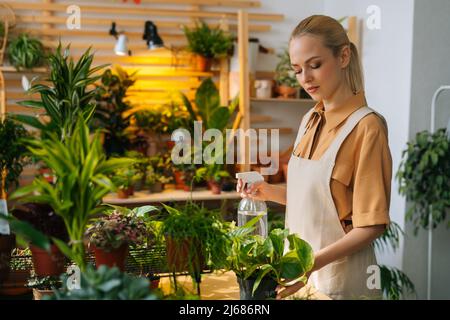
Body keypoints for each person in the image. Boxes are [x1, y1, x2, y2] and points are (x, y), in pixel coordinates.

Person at [237, 15, 392, 300]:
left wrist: (309, 264)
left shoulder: (367, 127)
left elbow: (371, 225)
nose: (305, 78)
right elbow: (314, 199)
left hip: (341, 284)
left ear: (343, 56)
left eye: (315, 65)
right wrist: (268, 191)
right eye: (297, 70)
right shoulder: (309, 119)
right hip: (296, 278)